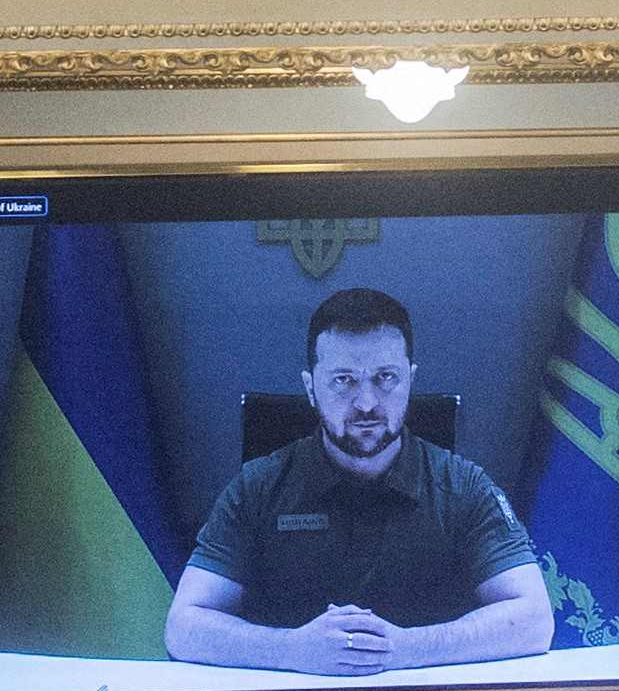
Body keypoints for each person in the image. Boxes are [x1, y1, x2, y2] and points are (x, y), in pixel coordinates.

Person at [165, 286, 552, 671]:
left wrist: (404, 649)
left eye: (385, 377)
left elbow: (535, 621)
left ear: (410, 380)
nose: (366, 403)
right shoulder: (258, 487)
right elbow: (183, 627)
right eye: (344, 380)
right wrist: (291, 649)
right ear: (310, 388)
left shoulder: (463, 487)